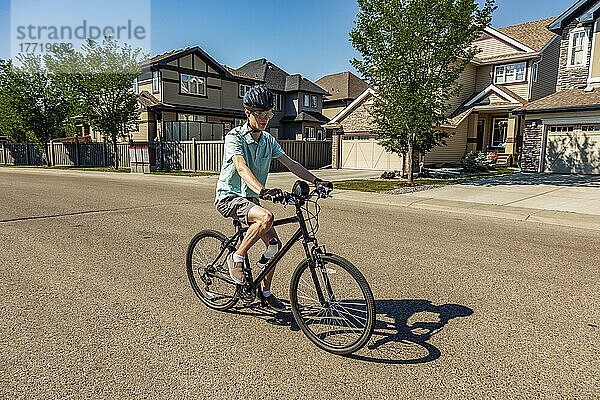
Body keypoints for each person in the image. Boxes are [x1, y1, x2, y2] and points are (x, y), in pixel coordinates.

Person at [214, 85, 333, 311]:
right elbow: (240, 166)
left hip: (250, 200)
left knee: (275, 247)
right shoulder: (234, 137)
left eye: (268, 113)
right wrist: (262, 190)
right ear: (247, 112)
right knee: (266, 217)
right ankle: (236, 257)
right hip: (230, 197)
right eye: (260, 113)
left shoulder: (268, 140)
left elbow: (291, 163)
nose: (265, 118)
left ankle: (265, 293)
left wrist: (316, 181)